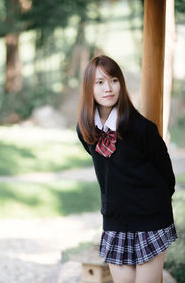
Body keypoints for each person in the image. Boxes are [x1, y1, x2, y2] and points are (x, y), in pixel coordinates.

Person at [76, 55, 178, 283]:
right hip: (115, 220)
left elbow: (166, 174)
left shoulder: (142, 128)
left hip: (150, 219)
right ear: (89, 88)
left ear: (121, 83)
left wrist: (158, 202)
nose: (108, 88)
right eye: (99, 82)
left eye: (114, 80)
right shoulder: (86, 130)